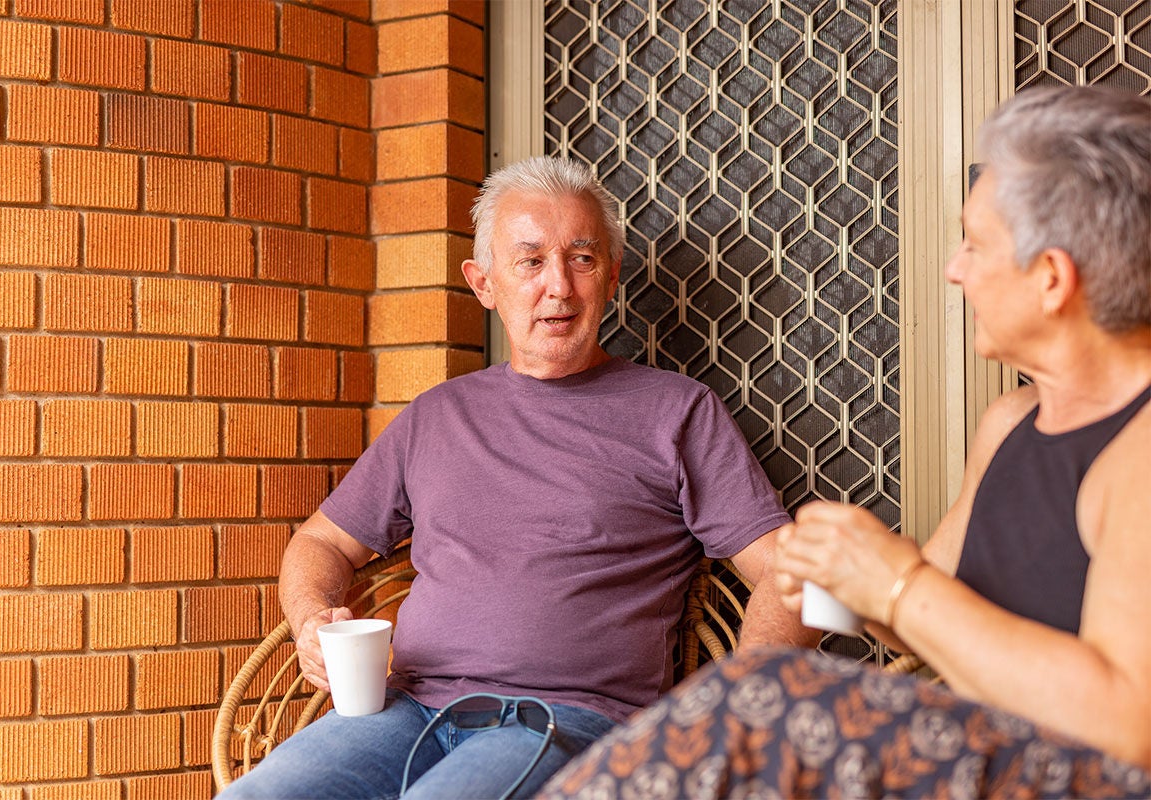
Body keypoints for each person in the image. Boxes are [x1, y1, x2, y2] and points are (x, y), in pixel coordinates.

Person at [537, 85, 1151, 799]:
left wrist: (897, 583)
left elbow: (1127, 724)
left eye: (975, 245)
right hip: (992, 752)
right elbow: (930, 622)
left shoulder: (1139, 449)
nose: (954, 269)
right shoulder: (1011, 424)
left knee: (754, 712)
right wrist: (846, 580)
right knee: (755, 695)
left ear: (1051, 279)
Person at [219, 156, 817, 799]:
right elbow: (322, 542)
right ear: (484, 283)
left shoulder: (676, 412)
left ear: (611, 277)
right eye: (530, 261)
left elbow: (793, 574)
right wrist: (312, 619)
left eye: (582, 259)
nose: (558, 286)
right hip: (404, 712)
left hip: (567, 723)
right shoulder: (436, 416)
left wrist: (731, 704)